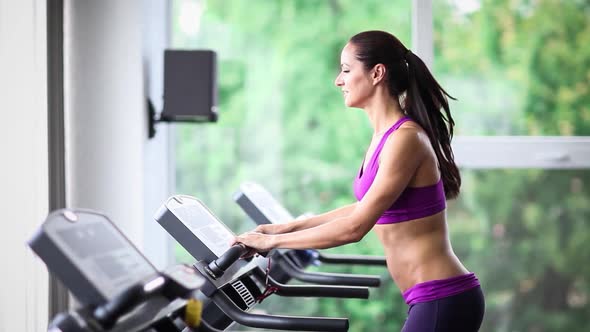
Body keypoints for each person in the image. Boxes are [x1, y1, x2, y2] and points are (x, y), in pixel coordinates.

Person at [234, 30, 485, 331]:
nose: (338, 80)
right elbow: (362, 208)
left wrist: (271, 242)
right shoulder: (385, 137)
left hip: (443, 297)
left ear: (377, 73)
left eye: (346, 70)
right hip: (429, 299)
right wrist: (283, 227)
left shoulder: (406, 139)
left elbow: (355, 228)